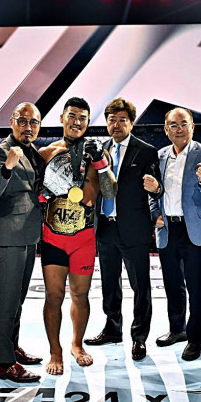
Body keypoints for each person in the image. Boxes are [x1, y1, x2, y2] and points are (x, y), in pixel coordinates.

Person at [38, 97, 116, 375]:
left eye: (83, 117)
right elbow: (33, 191)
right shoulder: (45, 153)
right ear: (62, 118)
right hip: (53, 236)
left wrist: (100, 163)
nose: (77, 122)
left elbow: (110, 191)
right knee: (53, 296)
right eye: (72, 115)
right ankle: (55, 351)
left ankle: (77, 344)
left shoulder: (97, 153)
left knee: (80, 295)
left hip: (83, 237)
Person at [84, 97, 163, 362]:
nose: (116, 125)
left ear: (131, 122)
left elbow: (156, 188)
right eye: (112, 120)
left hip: (134, 229)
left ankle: (139, 337)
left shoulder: (146, 151)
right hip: (105, 227)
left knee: (140, 286)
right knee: (109, 283)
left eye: (122, 120)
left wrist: (157, 190)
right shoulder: (99, 150)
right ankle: (112, 329)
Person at [150, 108, 201, 361]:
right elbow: (153, 192)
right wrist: (154, 214)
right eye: (173, 125)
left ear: (192, 127)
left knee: (195, 287)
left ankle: (196, 339)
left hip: (194, 230)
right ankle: (177, 329)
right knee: (172, 284)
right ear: (166, 129)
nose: (179, 129)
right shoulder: (159, 156)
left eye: (184, 124)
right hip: (168, 228)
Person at [0, 102, 46, 383]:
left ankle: (13, 346)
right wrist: (8, 167)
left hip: (29, 235)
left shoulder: (32, 153)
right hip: (10, 237)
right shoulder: (0, 151)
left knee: (18, 299)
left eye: (33, 122)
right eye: (22, 121)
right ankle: (5, 362)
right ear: (11, 122)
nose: (28, 127)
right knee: (8, 301)